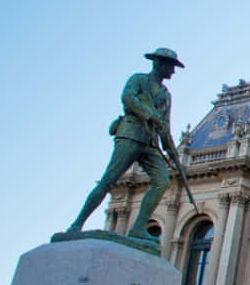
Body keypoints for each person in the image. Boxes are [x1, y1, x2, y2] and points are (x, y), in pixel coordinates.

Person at [70, 48, 185, 240]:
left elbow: (165, 126)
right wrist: (149, 114)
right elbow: (127, 98)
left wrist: (172, 152)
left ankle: (138, 228)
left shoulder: (166, 95)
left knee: (162, 180)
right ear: (158, 63)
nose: (173, 71)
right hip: (131, 133)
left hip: (150, 142)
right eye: (170, 66)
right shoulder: (138, 80)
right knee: (109, 180)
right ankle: (77, 224)